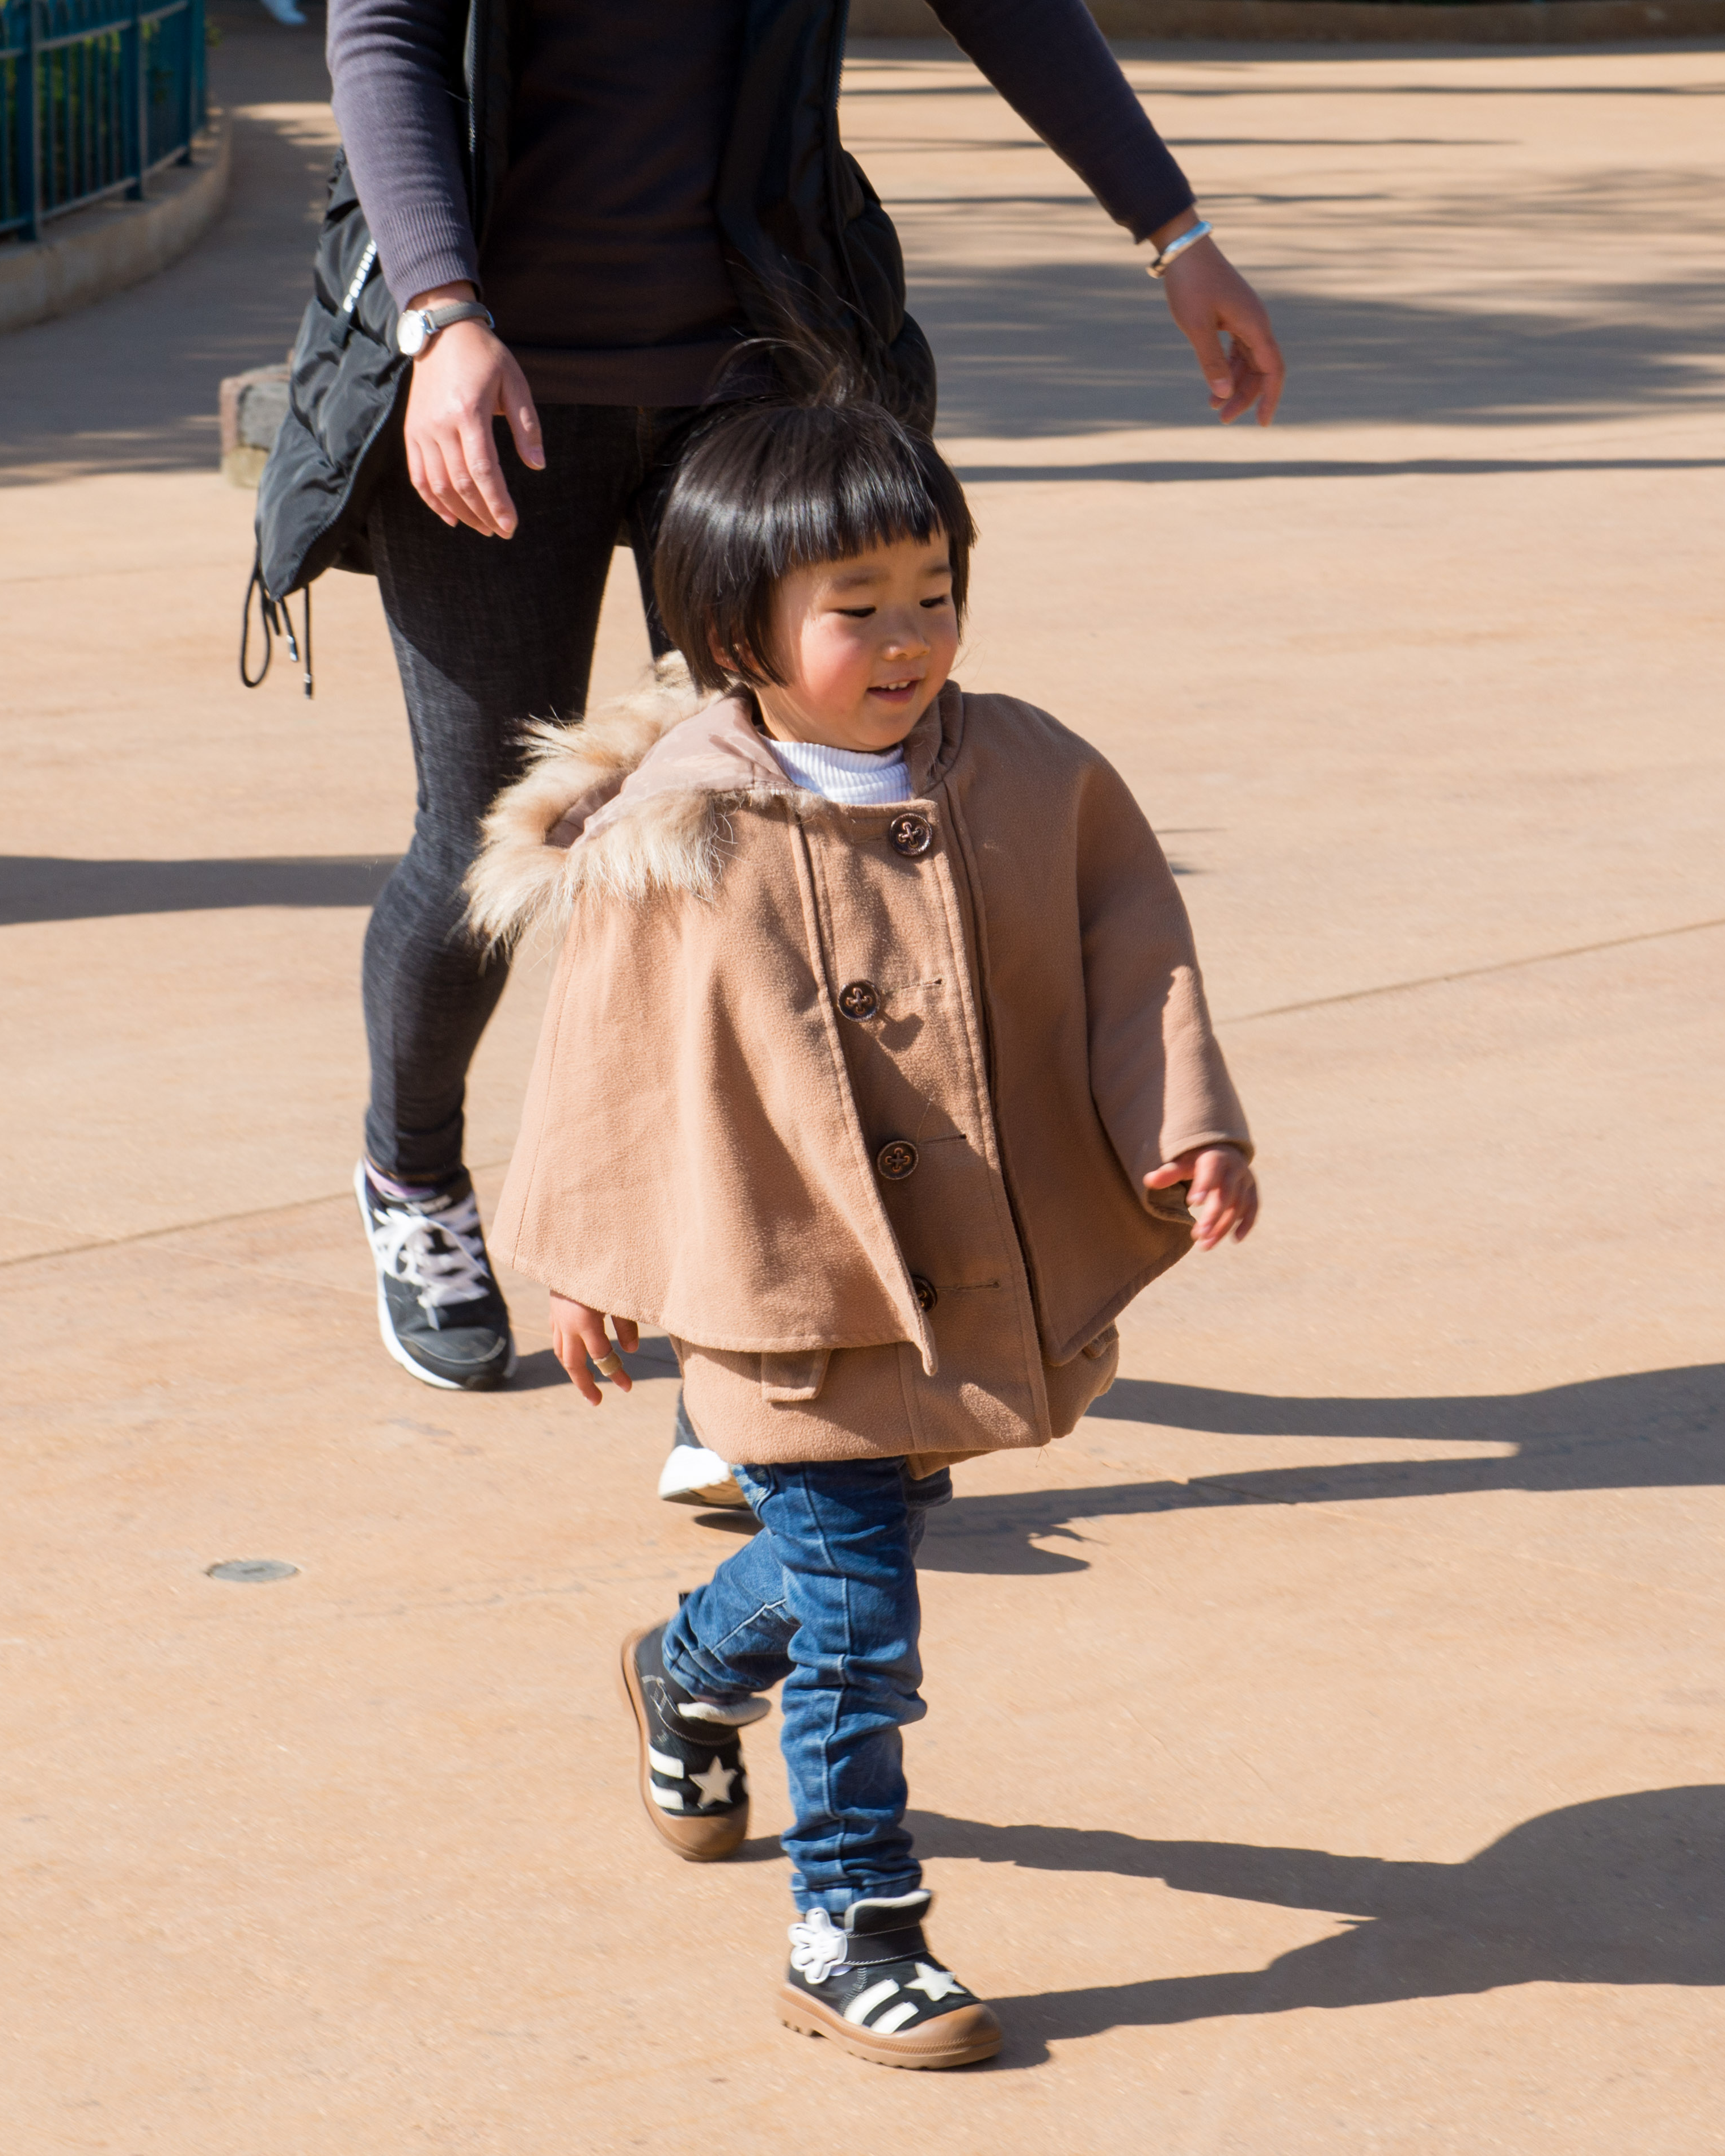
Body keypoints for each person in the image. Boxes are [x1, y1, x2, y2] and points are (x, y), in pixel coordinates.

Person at [460, 389, 1258, 2067]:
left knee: (840, 1567)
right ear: (739, 631)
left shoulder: (1029, 767)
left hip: (962, 1253)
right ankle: (854, 1923)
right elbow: (609, 1052)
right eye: (858, 608)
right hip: (781, 1267)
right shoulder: (688, 821)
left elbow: (1133, 943)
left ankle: (684, 1671)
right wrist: (590, 1259)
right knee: (863, 1611)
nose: (908, 640)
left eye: (932, 590)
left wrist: (1186, 1121)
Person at [327, 0, 1284, 1394]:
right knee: (486, 829)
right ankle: (412, 1173)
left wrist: (1174, 234)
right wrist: (440, 312)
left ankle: (761, 1332)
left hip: (749, 373)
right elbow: (388, 32)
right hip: (485, 372)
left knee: (769, 836)